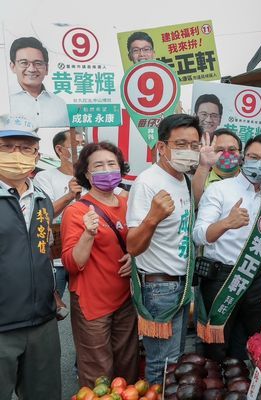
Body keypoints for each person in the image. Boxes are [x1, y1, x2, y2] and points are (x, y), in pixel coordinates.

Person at [126, 114, 201, 384]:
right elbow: (132, 245)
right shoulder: (147, 182)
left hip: (181, 285)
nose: (189, 151)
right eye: (181, 144)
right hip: (159, 288)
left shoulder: (184, 180)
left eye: (194, 145)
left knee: (177, 359)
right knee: (162, 364)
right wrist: (153, 217)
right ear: (161, 147)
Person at [193, 134, 261, 361]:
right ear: (243, 158)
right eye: (253, 157)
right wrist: (226, 223)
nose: (259, 164)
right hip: (220, 280)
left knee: (255, 344)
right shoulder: (219, 190)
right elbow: (199, 234)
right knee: (217, 347)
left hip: (256, 281)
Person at [60, 142, 138, 387]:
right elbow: (73, 264)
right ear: (87, 173)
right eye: (99, 165)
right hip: (92, 304)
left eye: (111, 164)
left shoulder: (129, 204)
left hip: (125, 299)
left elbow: (139, 242)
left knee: (128, 367)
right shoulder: (76, 212)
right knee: (99, 374)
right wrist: (88, 234)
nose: (107, 170)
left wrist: (134, 257)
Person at [0, 116, 60, 400]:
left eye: (25, 148)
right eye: (7, 146)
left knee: (44, 394)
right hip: (2, 327)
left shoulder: (42, 199)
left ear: (36, 154)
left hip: (41, 323)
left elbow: (44, 250)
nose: (16, 155)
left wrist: (51, 292)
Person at [34, 130, 85, 299]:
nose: (81, 148)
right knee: (51, 306)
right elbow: (44, 213)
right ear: (60, 150)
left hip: (84, 254)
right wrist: (70, 195)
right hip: (55, 256)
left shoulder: (92, 178)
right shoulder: (44, 177)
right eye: (76, 144)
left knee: (86, 311)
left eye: (83, 143)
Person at [9, 37, 69, 128]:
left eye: (38, 63)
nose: (32, 69)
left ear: (47, 69)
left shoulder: (60, 103)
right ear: (13, 66)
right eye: (24, 63)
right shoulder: (5, 101)